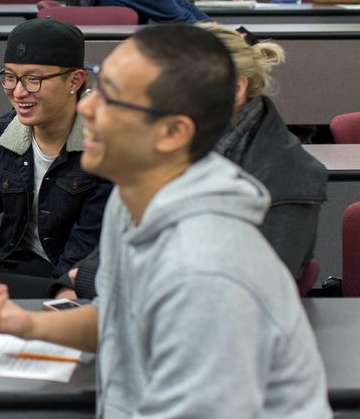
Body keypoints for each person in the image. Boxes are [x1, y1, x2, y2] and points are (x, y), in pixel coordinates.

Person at [0, 24, 332, 419]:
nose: (88, 107)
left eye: (114, 98)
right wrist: (26, 325)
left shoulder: (208, 272)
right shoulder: (134, 200)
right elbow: (117, 317)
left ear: (173, 133)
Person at [58, 24, 328, 300]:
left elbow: (236, 295)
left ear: (234, 89)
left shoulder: (291, 176)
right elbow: (110, 253)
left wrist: (89, 281)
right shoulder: (168, 150)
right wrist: (73, 284)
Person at [0, 19, 112, 295]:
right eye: (10, 77)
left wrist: (60, 300)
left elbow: (86, 246)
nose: (19, 91)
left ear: (75, 80)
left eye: (34, 79)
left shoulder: (103, 143)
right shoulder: (0, 134)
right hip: (16, 267)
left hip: (80, 279)